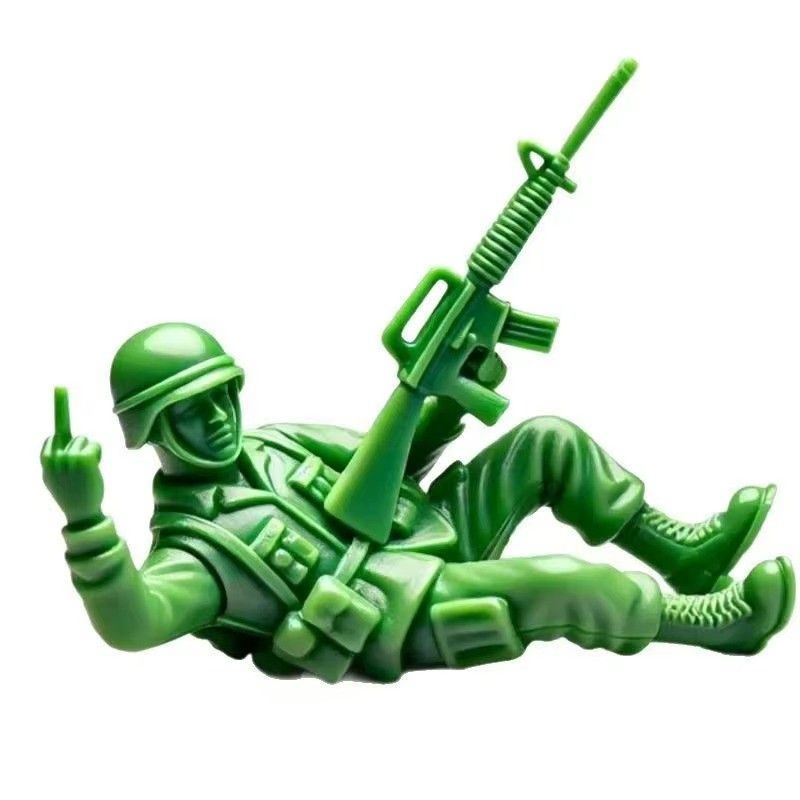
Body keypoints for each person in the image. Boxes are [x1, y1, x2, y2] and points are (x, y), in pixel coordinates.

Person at [41, 322, 794, 683]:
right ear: (150, 429)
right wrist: (85, 518)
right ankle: (713, 626)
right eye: (188, 410)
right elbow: (134, 625)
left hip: (428, 532)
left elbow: (388, 461)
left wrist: (445, 391)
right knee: (565, 581)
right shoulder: (198, 546)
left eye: (221, 395)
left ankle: (683, 554)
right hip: (396, 611)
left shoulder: (277, 444)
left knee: (548, 440)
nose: (216, 419)